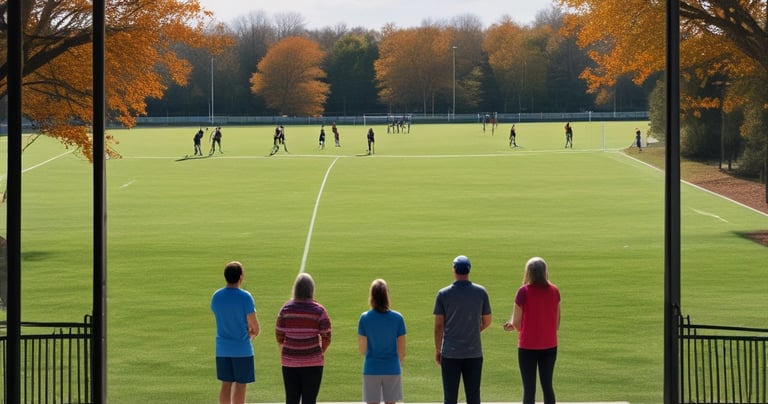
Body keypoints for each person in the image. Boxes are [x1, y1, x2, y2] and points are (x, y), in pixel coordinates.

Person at [433, 255, 492, 404]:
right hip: (474, 352)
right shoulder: (481, 292)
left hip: (450, 353)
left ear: (454, 270)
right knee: (473, 396)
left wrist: (438, 349)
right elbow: (487, 321)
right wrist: (473, 330)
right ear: (469, 270)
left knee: (450, 397)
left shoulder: (443, 294)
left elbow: (439, 325)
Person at [503, 257, 561, 404]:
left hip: (528, 346)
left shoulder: (523, 291)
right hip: (550, 345)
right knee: (548, 386)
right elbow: (557, 322)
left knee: (529, 389)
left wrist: (512, 325)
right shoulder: (554, 291)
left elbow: (516, 323)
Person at [276, 273, 332, 404]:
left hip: (289, 362)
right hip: (313, 363)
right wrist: (320, 352)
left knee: (291, 400)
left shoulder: (286, 309)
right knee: (310, 400)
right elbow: (327, 337)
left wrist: (288, 350)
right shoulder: (319, 310)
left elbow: (279, 335)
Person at [211, 261, 260, 404]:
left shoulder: (216, 296)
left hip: (222, 349)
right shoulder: (245, 297)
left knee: (225, 384)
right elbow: (255, 327)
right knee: (241, 384)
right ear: (241, 276)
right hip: (242, 349)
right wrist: (251, 334)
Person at [358, 279, 406, 404]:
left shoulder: (364, 318)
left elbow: (362, 350)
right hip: (392, 369)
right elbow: (402, 352)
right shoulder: (398, 318)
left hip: (371, 369)